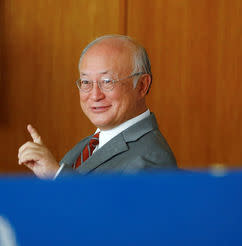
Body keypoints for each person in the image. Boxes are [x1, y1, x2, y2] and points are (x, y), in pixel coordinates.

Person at [18, 34, 177, 179]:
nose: (95, 95)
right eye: (86, 82)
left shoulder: (153, 160)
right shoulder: (92, 143)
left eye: (107, 82)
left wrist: (56, 176)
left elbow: (111, 211)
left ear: (142, 86)